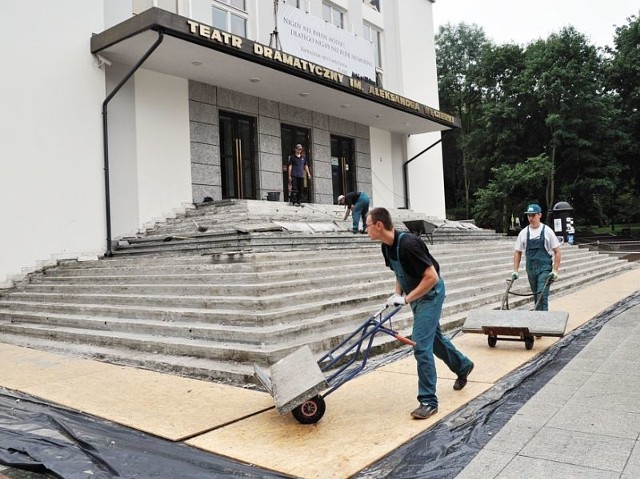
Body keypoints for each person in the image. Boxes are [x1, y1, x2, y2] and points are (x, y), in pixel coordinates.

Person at [365, 207, 474, 420]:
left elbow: (432, 277)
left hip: (430, 295)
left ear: (378, 225)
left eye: (367, 225)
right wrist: (396, 294)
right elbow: (399, 272)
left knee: (421, 345)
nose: (365, 230)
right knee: (434, 341)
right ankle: (463, 365)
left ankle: (428, 401)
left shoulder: (408, 244)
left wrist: (406, 298)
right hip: (417, 295)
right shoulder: (387, 247)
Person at [512, 203, 562, 311]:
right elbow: (517, 252)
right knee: (536, 296)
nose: (530, 218)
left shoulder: (547, 231)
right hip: (531, 269)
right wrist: (515, 270)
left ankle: (544, 321)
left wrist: (555, 270)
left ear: (540, 215)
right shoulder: (524, 233)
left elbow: (557, 252)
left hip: (544, 268)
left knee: (541, 295)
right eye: (529, 215)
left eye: (533, 215)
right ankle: (538, 319)